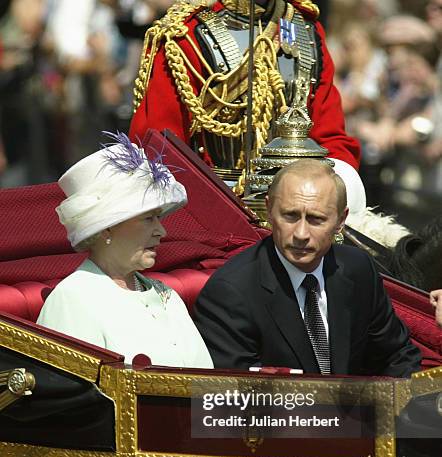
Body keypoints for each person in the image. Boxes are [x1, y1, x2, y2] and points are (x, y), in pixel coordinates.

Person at [194, 159, 421, 376]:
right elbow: (237, 396)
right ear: (269, 210)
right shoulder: (232, 292)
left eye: (316, 219)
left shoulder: (358, 268)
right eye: (290, 216)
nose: (301, 234)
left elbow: (397, 356)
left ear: (341, 221)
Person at [129, 0, 364, 204]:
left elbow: (330, 138)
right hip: (214, 205)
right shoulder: (185, 34)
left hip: (301, 203)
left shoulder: (306, 31)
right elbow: (159, 150)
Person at [37, 131, 213, 368]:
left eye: (158, 217)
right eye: (148, 219)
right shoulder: (72, 299)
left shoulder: (165, 294)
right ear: (106, 229)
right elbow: (72, 400)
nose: (162, 231)